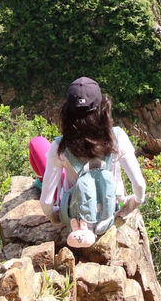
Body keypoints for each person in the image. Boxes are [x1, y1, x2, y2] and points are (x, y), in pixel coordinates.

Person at [29, 76, 146, 248]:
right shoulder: (118, 138)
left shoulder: (60, 147)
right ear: (103, 109)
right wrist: (129, 205)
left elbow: (46, 202)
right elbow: (140, 186)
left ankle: (43, 182)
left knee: (37, 143)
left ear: (67, 113)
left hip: (73, 212)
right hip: (109, 209)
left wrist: (57, 216)